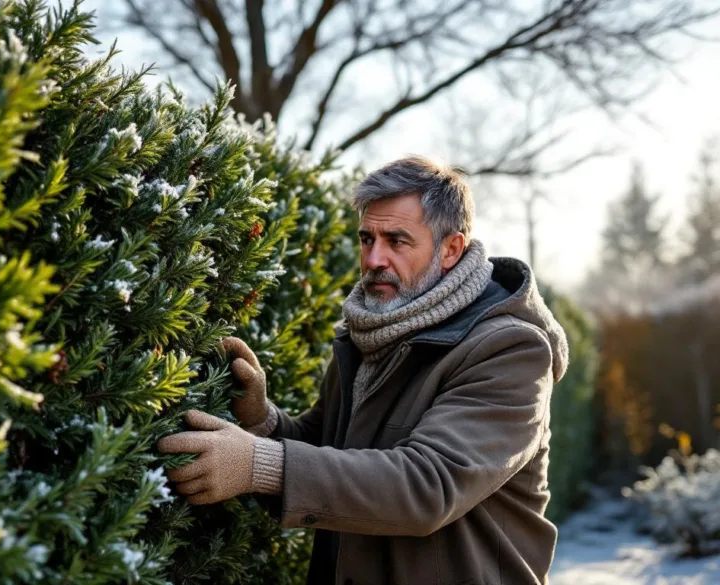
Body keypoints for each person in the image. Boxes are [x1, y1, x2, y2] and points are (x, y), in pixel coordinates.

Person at [157, 155, 569, 585]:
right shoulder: (371, 333)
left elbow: (429, 485)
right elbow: (331, 449)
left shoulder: (510, 350)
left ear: (451, 249)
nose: (374, 259)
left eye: (396, 241)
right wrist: (263, 422)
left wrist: (260, 462)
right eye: (366, 238)